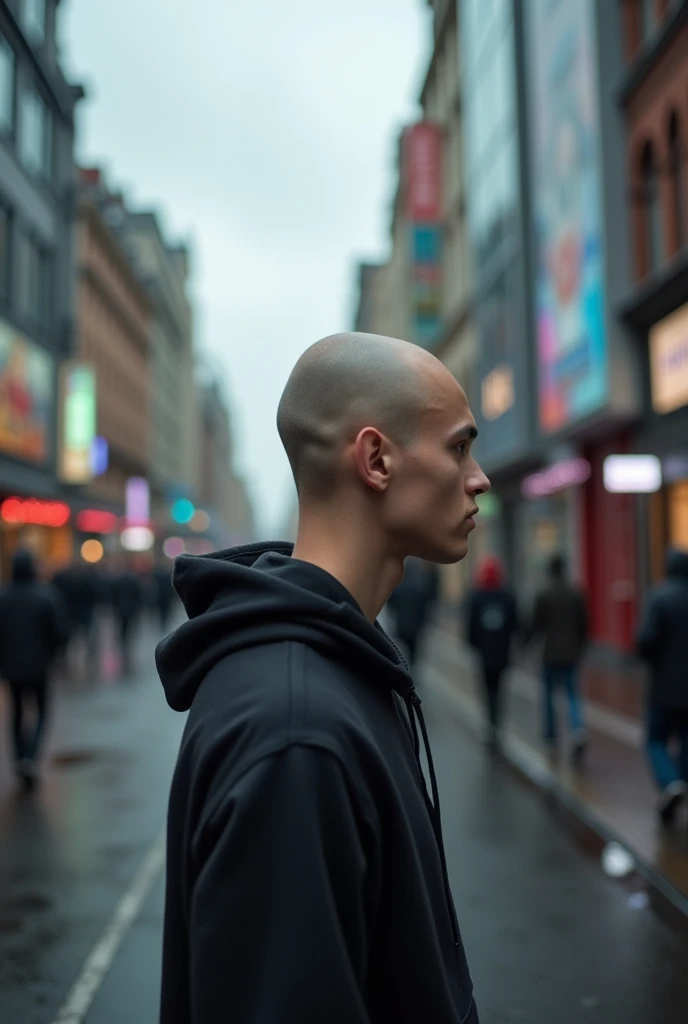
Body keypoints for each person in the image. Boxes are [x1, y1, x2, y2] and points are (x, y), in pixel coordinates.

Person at [156, 332, 489, 1023]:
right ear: (375, 459)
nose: (478, 476)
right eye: (459, 447)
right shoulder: (297, 732)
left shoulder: (334, 669)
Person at [0, 549, 67, 789]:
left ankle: (19, 757)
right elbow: (59, 632)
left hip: (10, 668)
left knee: (16, 713)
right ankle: (30, 755)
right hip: (40, 666)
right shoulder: (46, 596)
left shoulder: (3, 596)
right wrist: (55, 657)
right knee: (41, 712)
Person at [636, 549, 688, 824]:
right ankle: (682, 782)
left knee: (655, 739)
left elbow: (645, 640)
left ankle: (670, 783)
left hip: (665, 686)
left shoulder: (660, 597)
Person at [526, 553, 589, 762]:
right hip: (571, 653)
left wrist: (524, 643)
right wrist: (581, 647)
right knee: (572, 694)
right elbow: (584, 624)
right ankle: (577, 729)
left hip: (550, 653)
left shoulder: (543, 594)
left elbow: (536, 625)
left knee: (548, 696)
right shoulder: (575, 593)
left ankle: (551, 738)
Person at [466, 555, 518, 749]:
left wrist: (473, 645)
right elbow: (515, 625)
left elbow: (470, 626)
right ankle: (497, 726)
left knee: (487, 691)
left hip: (484, 654)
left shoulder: (476, 597)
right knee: (499, 691)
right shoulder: (507, 596)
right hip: (502, 654)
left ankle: (490, 726)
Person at [387, 556, 440, 668]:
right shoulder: (420, 586)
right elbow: (425, 605)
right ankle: (412, 668)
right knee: (413, 650)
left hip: (401, 624)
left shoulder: (399, 588)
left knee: (401, 650)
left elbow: (391, 603)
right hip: (416, 626)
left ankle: (405, 667)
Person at [109, 562, 144, 674]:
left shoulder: (117, 580)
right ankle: (127, 641)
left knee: (122, 627)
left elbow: (113, 595)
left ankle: (123, 641)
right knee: (129, 627)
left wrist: (114, 607)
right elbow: (139, 595)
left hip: (120, 609)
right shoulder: (134, 580)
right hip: (131, 609)